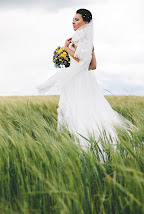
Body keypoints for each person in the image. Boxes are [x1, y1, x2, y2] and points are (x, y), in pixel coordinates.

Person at [37, 8, 137, 153]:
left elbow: (81, 59)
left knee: (75, 110)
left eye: (77, 19)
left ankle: (78, 146)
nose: (73, 22)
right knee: (88, 110)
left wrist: (66, 48)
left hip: (76, 81)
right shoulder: (90, 42)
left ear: (86, 22)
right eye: (73, 19)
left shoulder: (77, 38)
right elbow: (93, 66)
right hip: (87, 81)